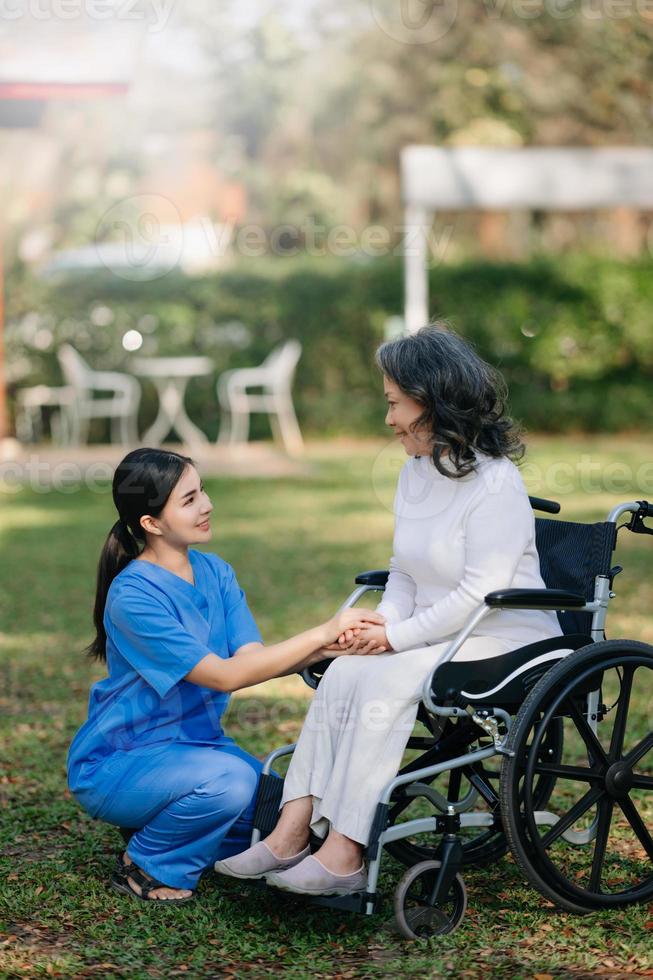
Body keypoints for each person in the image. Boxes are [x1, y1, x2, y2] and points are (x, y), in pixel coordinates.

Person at [215, 324, 564, 898]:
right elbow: (403, 570)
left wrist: (397, 640)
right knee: (346, 671)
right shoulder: (415, 472)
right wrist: (384, 624)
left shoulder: (496, 483)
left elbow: (481, 592)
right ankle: (288, 835)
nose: (389, 419)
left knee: (384, 681)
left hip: (504, 637)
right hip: (435, 633)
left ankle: (345, 854)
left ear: (433, 401)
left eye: (395, 404)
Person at [67, 447, 384, 903]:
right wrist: (321, 632)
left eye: (203, 491)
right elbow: (224, 676)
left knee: (286, 820)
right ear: (151, 524)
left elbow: (252, 658)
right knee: (228, 788)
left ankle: (167, 817)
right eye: (189, 499)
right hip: (121, 761)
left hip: (200, 751)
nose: (207, 504)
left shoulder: (215, 571)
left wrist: (334, 646)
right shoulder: (133, 597)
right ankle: (149, 863)